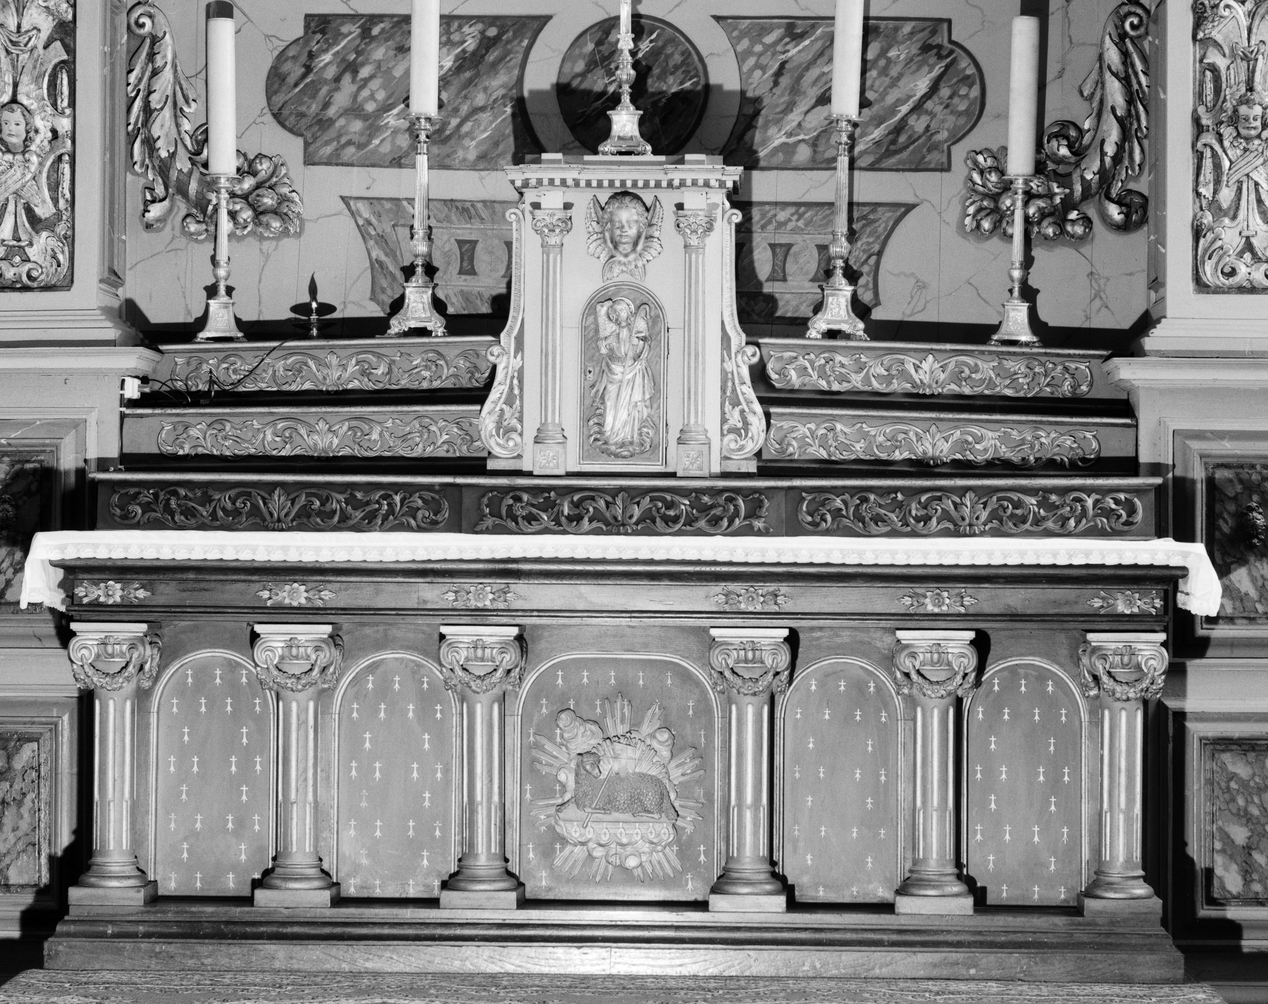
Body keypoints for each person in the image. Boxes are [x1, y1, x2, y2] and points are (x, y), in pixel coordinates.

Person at [591, 296, 655, 456]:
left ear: (627, 312)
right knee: (610, 403)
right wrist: (607, 341)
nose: (618, 317)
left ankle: (628, 438)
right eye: (615, 314)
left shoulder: (636, 329)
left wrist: (638, 343)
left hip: (631, 372)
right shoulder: (612, 331)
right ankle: (610, 436)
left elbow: (645, 350)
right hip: (613, 370)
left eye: (621, 312)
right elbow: (602, 347)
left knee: (629, 406)